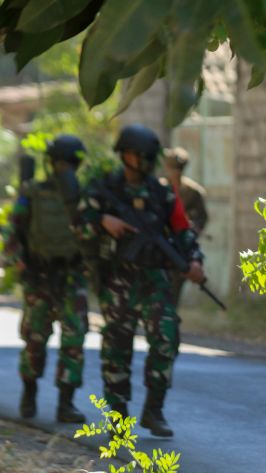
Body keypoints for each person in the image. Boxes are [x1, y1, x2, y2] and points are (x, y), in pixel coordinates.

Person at [71, 124, 206, 437]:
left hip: (154, 278)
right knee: (116, 347)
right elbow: (78, 224)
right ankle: (118, 418)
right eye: (139, 155)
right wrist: (103, 221)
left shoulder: (161, 192)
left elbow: (182, 230)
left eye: (148, 156)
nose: (144, 161)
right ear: (126, 155)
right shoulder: (103, 189)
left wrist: (195, 260)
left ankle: (153, 410)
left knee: (166, 337)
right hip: (117, 278)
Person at [2, 135, 89, 423]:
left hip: (70, 278)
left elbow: (91, 236)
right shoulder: (32, 191)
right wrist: (19, 262)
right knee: (35, 339)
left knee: (73, 339)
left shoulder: (82, 196)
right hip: (40, 277)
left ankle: (65, 403)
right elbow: (13, 233)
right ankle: (29, 394)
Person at [160, 147, 208, 306]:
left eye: (178, 168)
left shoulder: (193, 192)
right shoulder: (158, 189)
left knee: (174, 292)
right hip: (160, 246)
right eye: (173, 168)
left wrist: (193, 231)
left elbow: (202, 218)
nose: (175, 172)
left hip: (181, 247)